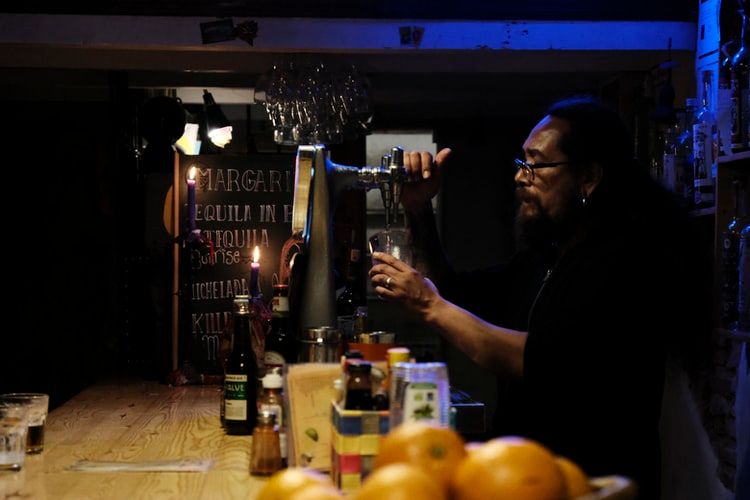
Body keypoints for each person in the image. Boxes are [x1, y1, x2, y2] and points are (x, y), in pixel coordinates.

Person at [369, 96, 711, 498]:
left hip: (589, 487)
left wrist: (430, 306)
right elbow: (457, 293)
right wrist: (419, 209)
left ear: (589, 177)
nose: (520, 177)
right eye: (521, 162)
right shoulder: (547, 255)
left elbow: (544, 361)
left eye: (536, 164)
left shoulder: (629, 262)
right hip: (523, 479)